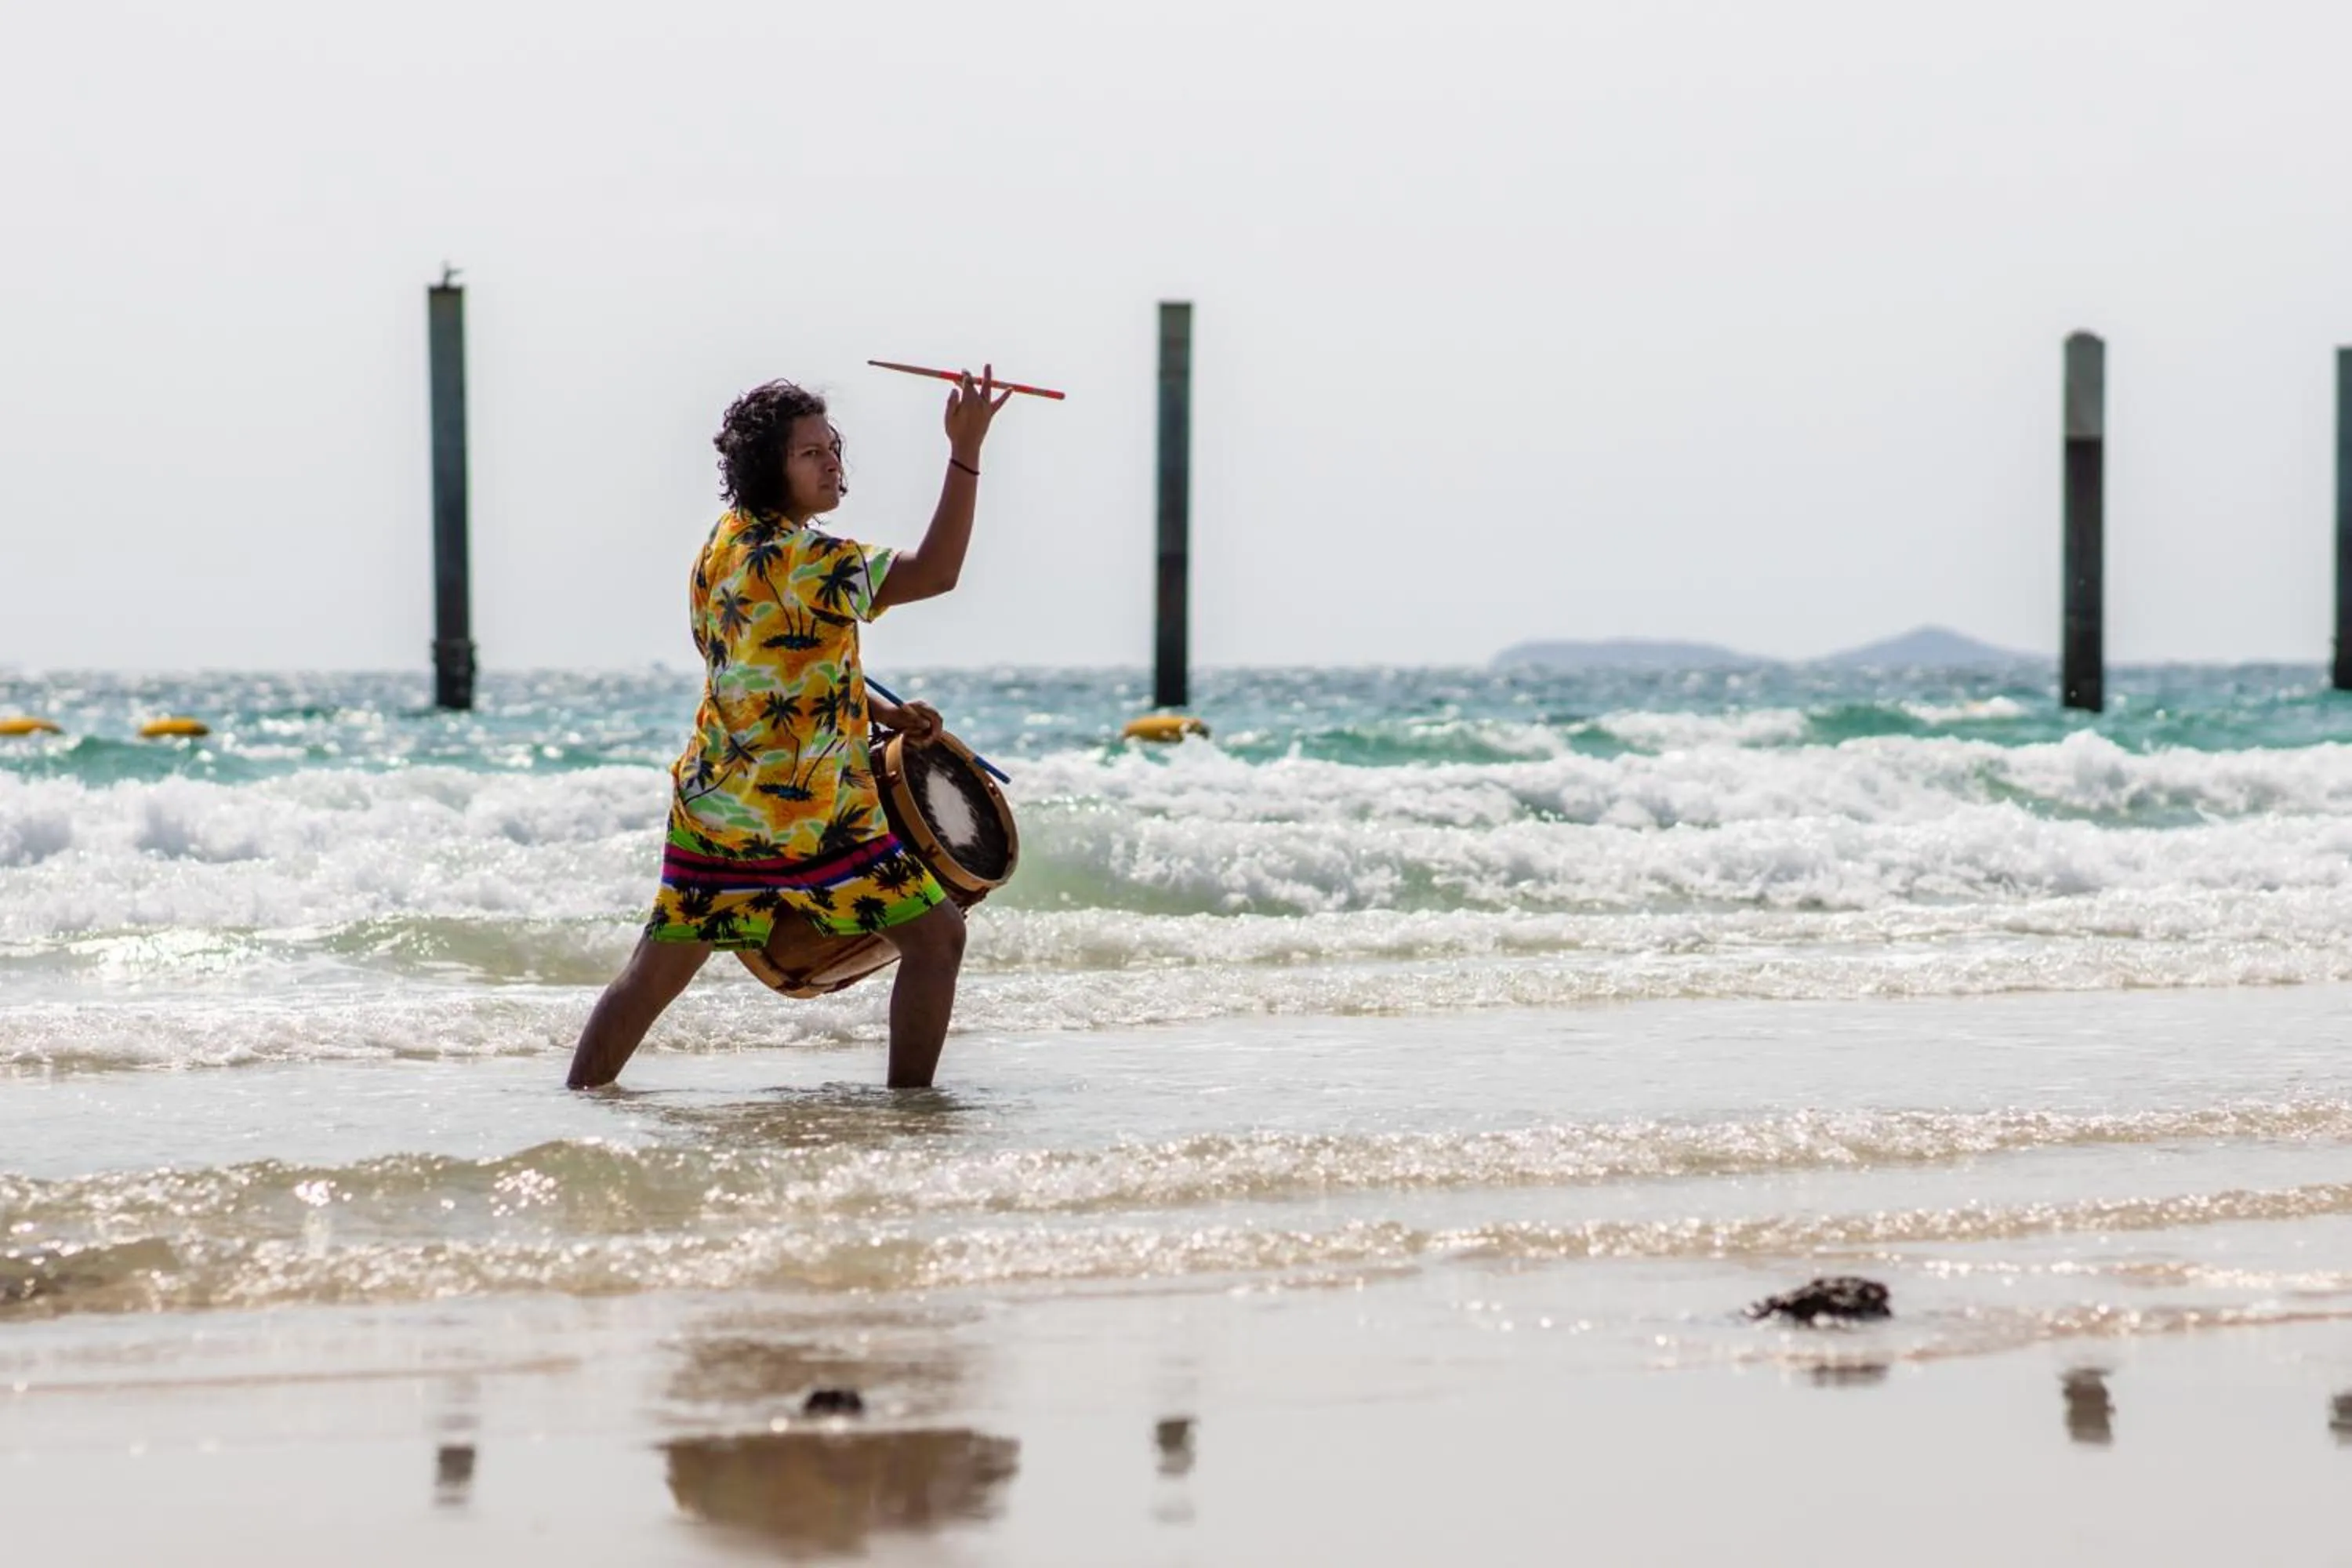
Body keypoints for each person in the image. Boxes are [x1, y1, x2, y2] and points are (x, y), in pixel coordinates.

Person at [566, 368, 1012, 1091]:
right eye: (809, 452)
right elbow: (936, 572)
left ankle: (580, 1105)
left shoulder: (724, 546)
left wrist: (879, 712)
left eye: (831, 444)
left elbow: (757, 667)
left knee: (656, 971)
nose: (832, 459)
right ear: (769, 469)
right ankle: (910, 1112)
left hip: (714, 809)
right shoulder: (811, 560)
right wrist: (966, 451)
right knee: (937, 940)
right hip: (809, 817)